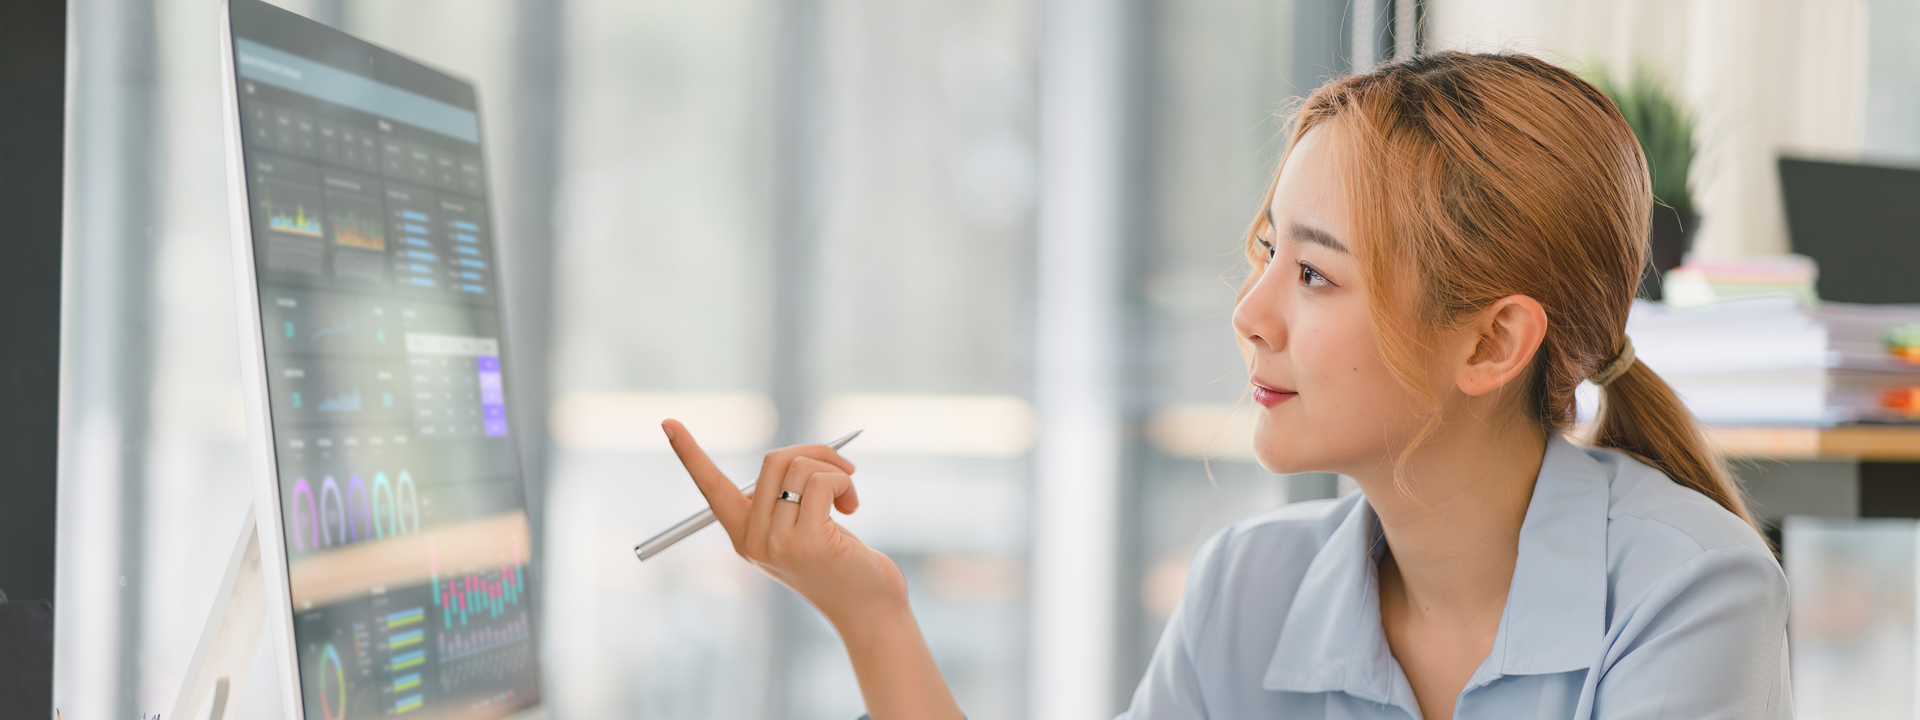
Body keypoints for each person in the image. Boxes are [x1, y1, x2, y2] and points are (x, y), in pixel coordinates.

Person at [660, 51, 1790, 720]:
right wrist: (872, 611)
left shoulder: (1688, 595)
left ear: (1493, 345)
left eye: (1312, 274)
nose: (1250, 317)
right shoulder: (1249, 588)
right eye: (1265, 256)